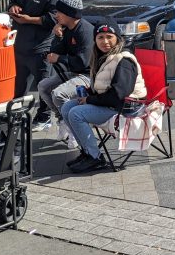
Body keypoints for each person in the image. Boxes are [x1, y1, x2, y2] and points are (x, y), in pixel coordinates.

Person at [61, 18, 147, 173]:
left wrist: (89, 99)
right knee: (67, 107)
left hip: (125, 109)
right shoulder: (102, 57)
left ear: (118, 39)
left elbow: (118, 95)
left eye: (109, 37)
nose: (105, 41)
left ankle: (95, 158)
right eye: (100, 37)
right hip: (110, 104)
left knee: (76, 113)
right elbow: (104, 88)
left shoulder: (124, 61)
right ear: (95, 39)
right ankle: (87, 152)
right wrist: (89, 92)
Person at [7, 0, 63, 127]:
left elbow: (54, 18)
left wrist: (29, 20)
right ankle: (15, 114)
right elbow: (14, 0)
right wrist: (13, 7)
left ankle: (44, 116)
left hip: (41, 47)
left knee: (43, 84)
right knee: (18, 85)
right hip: (20, 44)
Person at [37, 0, 94, 143]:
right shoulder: (67, 28)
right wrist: (58, 37)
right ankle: (62, 120)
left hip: (88, 75)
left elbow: (83, 62)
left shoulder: (85, 31)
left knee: (58, 93)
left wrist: (59, 58)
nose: (56, 15)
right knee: (43, 86)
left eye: (59, 12)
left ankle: (74, 129)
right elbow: (58, 50)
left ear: (70, 14)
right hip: (72, 73)